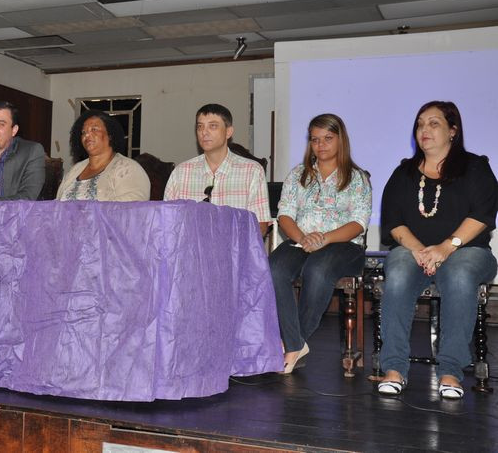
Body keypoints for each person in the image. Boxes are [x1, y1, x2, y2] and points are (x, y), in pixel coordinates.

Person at [377, 101, 497, 399]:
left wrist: (446, 247)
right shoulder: (403, 172)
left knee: (458, 273)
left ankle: (450, 371)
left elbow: (483, 215)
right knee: (399, 266)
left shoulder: (475, 166)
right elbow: (393, 222)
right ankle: (393, 368)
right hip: (416, 251)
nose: (424, 130)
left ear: (452, 131)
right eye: (420, 124)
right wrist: (420, 251)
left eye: (433, 123)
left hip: (467, 251)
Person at [269, 114, 372, 374]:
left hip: (344, 246)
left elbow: (358, 223)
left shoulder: (356, 177)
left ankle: (293, 343)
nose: (321, 145)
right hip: (301, 241)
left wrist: (324, 238)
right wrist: (303, 238)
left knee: (318, 268)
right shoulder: (298, 175)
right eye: (315, 140)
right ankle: (295, 344)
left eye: (328, 138)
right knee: (273, 268)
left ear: (341, 140)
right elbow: (285, 215)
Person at [164, 103, 271, 235]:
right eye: (200, 127)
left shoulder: (252, 171)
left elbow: (260, 226)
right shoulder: (181, 173)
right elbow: (167, 223)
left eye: (212, 126)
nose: (204, 132)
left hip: (235, 251)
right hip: (190, 252)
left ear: (228, 132)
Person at [57, 110, 150, 201]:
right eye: (83, 132)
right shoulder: (75, 171)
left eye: (94, 129)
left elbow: (134, 204)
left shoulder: (128, 168)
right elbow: (56, 205)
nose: (87, 135)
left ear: (110, 135)